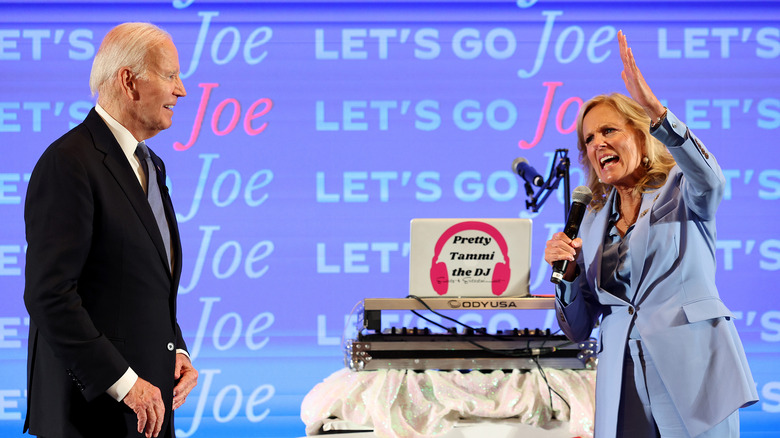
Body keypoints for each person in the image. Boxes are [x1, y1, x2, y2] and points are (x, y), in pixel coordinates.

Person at [544, 31, 757, 437]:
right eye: (588, 139)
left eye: (609, 131)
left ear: (642, 137)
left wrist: (659, 114)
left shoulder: (681, 188)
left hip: (692, 370)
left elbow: (712, 182)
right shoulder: (590, 220)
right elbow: (578, 326)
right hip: (620, 375)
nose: (597, 144)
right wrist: (568, 277)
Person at [23, 22, 198, 438]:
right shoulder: (69, 162)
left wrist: (175, 348)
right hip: (90, 417)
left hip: (147, 413)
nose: (182, 90)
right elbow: (50, 295)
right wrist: (126, 385)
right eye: (171, 75)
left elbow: (138, 280)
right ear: (129, 80)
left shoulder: (151, 164)